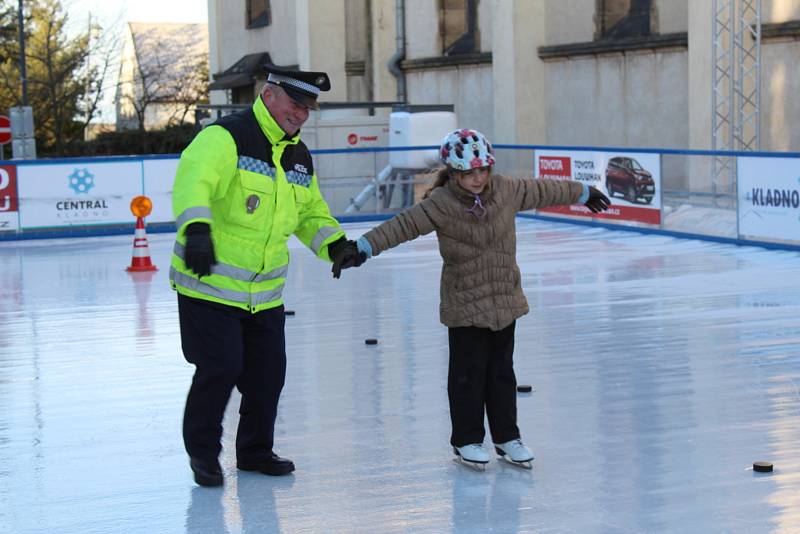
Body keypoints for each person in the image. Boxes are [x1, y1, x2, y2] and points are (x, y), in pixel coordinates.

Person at [335, 128, 610, 469]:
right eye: (468, 173)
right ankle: (466, 440)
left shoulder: (506, 190)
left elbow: (544, 189)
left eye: (482, 170)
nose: (477, 179)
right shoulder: (441, 204)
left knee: (502, 374)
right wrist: (361, 248)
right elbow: (401, 226)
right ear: (453, 172)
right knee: (468, 375)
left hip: (504, 299)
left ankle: (507, 437)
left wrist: (583, 192)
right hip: (464, 303)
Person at [171, 64, 364, 487]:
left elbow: (309, 211)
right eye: (296, 104)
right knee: (220, 368)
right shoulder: (227, 137)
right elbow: (193, 181)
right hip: (210, 286)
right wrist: (197, 229)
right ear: (269, 94)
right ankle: (204, 456)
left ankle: (255, 451)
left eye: (308, 109)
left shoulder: (297, 155)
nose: (301, 115)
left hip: (264, 295)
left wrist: (333, 244)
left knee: (268, 375)